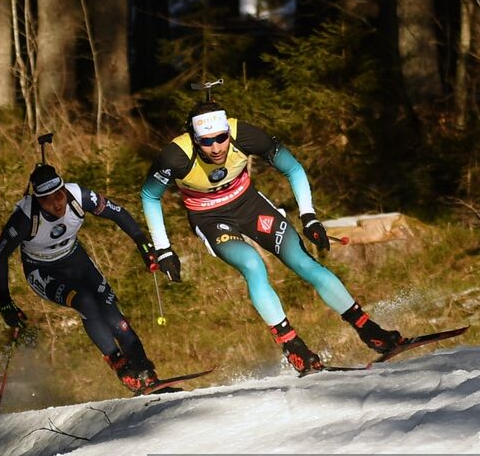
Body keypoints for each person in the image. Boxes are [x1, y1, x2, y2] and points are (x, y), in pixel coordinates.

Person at [139, 99, 404, 373]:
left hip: (249, 205)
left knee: (303, 261)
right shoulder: (175, 156)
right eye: (206, 142)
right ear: (195, 139)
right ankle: (293, 346)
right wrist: (163, 248)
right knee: (252, 264)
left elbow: (293, 168)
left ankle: (369, 330)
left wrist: (309, 216)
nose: (216, 148)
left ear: (228, 132)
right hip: (210, 218)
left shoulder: (247, 136)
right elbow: (149, 195)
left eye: (221, 138)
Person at [0, 161, 163, 393]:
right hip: (43, 271)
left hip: (76, 260)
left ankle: (145, 372)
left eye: (59, 195)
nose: (56, 204)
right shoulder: (25, 218)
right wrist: (5, 301)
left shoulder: (78, 196)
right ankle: (119, 364)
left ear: (64, 189)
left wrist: (143, 244)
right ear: (37, 200)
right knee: (85, 302)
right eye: (47, 200)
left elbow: (118, 213)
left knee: (113, 314)